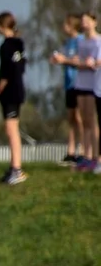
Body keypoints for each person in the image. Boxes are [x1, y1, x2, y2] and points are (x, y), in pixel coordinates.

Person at [54, 12, 101, 172]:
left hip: (92, 85)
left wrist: (81, 62)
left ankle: (96, 157)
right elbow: (78, 62)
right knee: (86, 122)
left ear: (94, 22)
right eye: (83, 21)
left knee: (92, 122)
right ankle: (86, 157)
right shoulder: (82, 43)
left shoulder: (98, 41)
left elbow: (94, 63)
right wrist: (74, 62)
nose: (84, 23)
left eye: (87, 20)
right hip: (80, 84)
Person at [0, 13, 28, 185]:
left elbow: (6, 71)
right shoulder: (19, 44)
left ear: (1, 26)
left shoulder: (6, 46)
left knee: (11, 130)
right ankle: (14, 166)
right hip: (18, 91)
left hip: (10, 92)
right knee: (12, 129)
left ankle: (17, 169)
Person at [52, 15, 84, 164]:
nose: (64, 27)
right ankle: (70, 152)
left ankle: (84, 151)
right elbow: (65, 58)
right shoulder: (67, 42)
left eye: (66, 24)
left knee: (80, 118)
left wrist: (64, 60)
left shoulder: (80, 41)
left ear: (72, 26)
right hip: (69, 83)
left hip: (79, 83)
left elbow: (79, 61)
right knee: (71, 118)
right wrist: (57, 59)